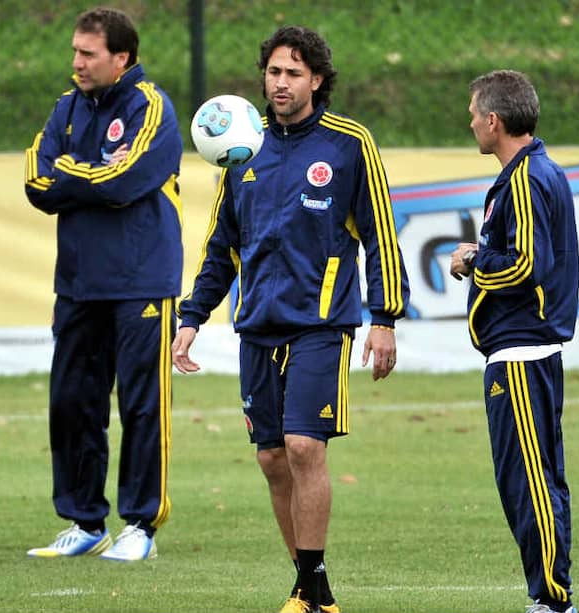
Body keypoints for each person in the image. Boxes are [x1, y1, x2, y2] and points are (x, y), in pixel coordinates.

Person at [173, 25, 409, 613]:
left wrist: (385, 317)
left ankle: (316, 588)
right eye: (274, 72)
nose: (280, 83)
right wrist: (192, 317)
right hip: (257, 322)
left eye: (294, 73)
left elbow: (380, 235)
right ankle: (306, 585)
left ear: (318, 80)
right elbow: (222, 247)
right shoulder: (242, 149)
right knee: (272, 458)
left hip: (321, 322)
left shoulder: (348, 143)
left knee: (306, 448)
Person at [23, 7, 182, 562]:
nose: (76, 62)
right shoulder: (66, 106)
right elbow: (36, 180)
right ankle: (84, 519)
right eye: (74, 51)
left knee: (141, 405)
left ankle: (140, 525)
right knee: (72, 403)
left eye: (88, 54)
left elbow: (126, 180)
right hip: (78, 283)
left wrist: (74, 171)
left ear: (122, 58)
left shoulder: (151, 106)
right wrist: (84, 171)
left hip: (141, 281)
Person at [450, 70, 579, 613]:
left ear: (495, 121)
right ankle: (551, 595)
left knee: (528, 485)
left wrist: (474, 260)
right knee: (537, 478)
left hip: (522, 355)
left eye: (475, 113)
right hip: (526, 354)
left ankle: (550, 599)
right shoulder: (533, 173)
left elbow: (528, 264)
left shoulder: (526, 178)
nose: (472, 121)